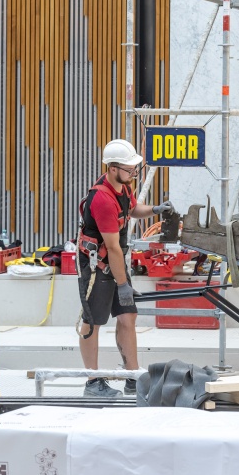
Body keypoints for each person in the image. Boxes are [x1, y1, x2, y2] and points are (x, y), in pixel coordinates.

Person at [77, 139, 174, 397]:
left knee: (128, 316)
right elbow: (114, 247)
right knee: (92, 322)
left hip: (114, 262)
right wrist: (122, 285)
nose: (134, 173)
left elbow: (132, 210)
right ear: (112, 168)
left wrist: (155, 209)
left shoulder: (122, 187)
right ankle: (93, 382)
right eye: (129, 168)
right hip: (97, 266)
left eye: (134, 168)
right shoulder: (102, 199)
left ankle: (132, 376)